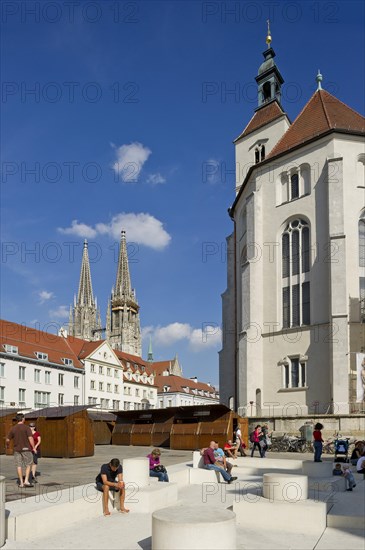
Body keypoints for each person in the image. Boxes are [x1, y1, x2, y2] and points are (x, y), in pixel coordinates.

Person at [6, 413, 35, 488]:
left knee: (19, 465)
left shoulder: (13, 428)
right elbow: (30, 438)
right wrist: (34, 447)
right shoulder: (26, 428)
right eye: (24, 418)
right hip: (26, 449)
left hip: (17, 450)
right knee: (29, 464)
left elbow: (7, 439)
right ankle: (26, 481)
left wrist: (7, 445)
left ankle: (21, 483)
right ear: (23, 419)